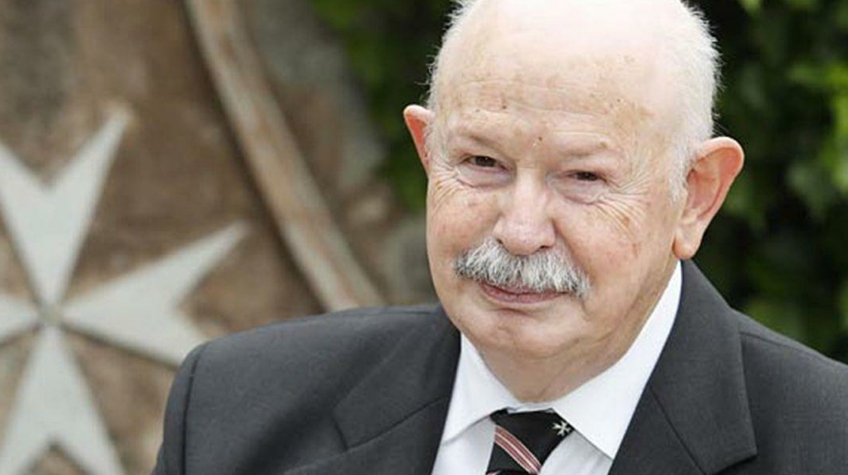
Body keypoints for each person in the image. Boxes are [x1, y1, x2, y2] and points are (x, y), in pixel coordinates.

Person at [152, 0, 848, 473]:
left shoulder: (828, 443)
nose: (519, 231)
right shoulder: (235, 411)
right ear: (428, 151)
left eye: (582, 177)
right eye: (483, 162)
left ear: (695, 195)